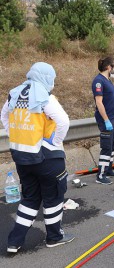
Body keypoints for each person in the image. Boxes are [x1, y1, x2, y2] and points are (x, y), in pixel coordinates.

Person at [0, 62, 74, 253]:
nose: (53, 82)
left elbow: (4, 117)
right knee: (53, 198)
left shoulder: (15, 94)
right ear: (46, 77)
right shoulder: (44, 96)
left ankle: (14, 242)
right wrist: (53, 142)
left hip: (22, 157)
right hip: (47, 158)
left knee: (30, 199)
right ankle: (54, 237)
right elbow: (63, 121)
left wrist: (16, 137)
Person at [92, 57, 114, 185]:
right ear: (109, 67)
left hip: (112, 117)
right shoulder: (98, 81)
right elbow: (99, 102)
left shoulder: (108, 80)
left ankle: (109, 169)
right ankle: (101, 175)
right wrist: (106, 120)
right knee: (106, 147)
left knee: (112, 144)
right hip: (106, 119)